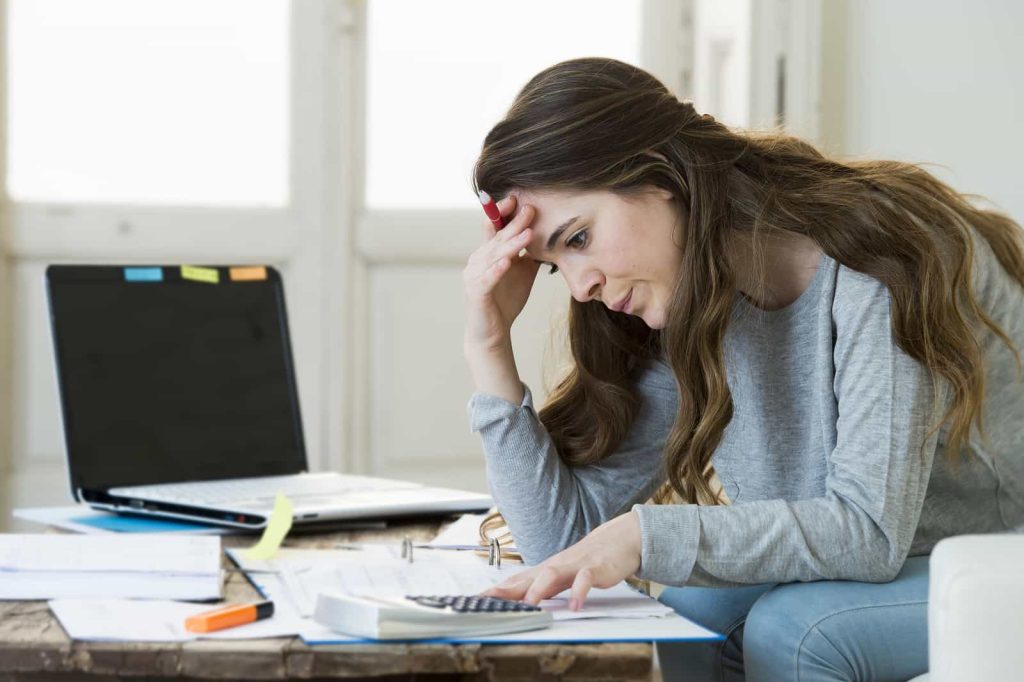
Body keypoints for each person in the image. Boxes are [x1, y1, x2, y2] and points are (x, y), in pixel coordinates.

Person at [461, 57, 1024, 681]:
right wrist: (489, 345)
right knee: (684, 617)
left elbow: (868, 528)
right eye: (552, 266)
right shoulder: (687, 298)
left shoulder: (880, 261)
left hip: (1000, 552)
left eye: (578, 239)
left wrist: (643, 535)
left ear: (659, 176)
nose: (580, 286)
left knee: (798, 632)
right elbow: (560, 547)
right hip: (900, 552)